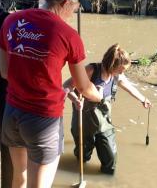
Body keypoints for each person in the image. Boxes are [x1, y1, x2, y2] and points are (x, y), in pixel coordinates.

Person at [0, 0, 102, 187]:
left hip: (12, 113)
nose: (76, 11)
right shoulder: (69, 35)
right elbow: (84, 87)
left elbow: (5, 72)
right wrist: (99, 96)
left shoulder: (11, 21)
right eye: (77, 6)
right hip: (43, 121)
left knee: (19, 179)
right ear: (66, 2)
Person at [63, 43, 152, 175]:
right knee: (83, 157)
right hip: (84, 121)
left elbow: (128, 86)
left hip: (104, 122)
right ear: (111, 65)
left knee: (110, 159)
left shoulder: (116, 75)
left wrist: (143, 99)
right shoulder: (91, 70)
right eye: (121, 70)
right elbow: (66, 86)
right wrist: (75, 100)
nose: (122, 73)